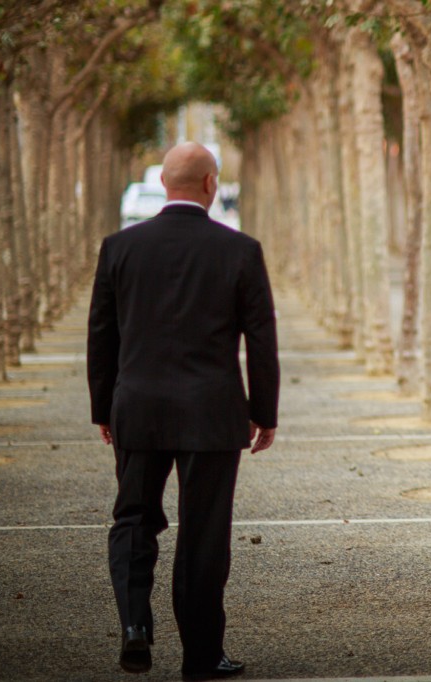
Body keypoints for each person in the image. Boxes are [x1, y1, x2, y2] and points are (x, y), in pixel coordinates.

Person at [88, 142, 280, 680]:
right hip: (211, 414)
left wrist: (104, 408)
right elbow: (261, 343)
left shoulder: (119, 248)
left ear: (166, 185)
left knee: (132, 519)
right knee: (203, 533)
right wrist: (264, 412)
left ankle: (134, 628)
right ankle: (201, 655)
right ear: (210, 184)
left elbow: (101, 337)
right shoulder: (240, 251)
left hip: (138, 409)